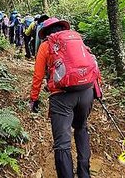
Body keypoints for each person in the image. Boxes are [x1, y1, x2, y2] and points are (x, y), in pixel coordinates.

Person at [29, 17, 102, 178]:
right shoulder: (76, 40)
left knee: (62, 144)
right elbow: (91, 64)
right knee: (81, 128)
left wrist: (33, 98)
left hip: (61, 97)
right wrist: (96, 88)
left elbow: (38, 75)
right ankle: (84, 174)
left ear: (46, 32)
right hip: (86, 92)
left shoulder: (46, 45)